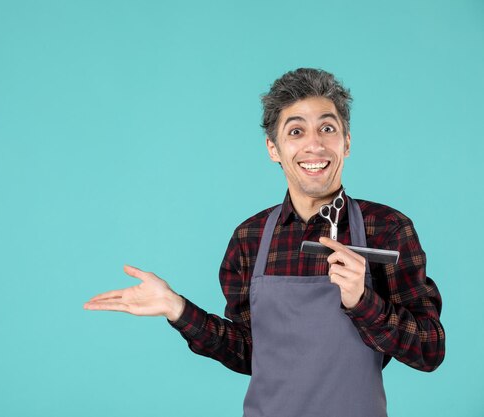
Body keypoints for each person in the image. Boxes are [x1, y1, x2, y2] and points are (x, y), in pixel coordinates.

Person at [83, 68, 445, 417]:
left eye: (327, 128)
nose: (314, 145)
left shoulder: (387, 229)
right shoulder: (250, 239)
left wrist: (362, 301)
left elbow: (430, 350)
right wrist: (177, 309)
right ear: (273, 148)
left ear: (346, 142)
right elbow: (248, 352)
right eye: (296, 132)